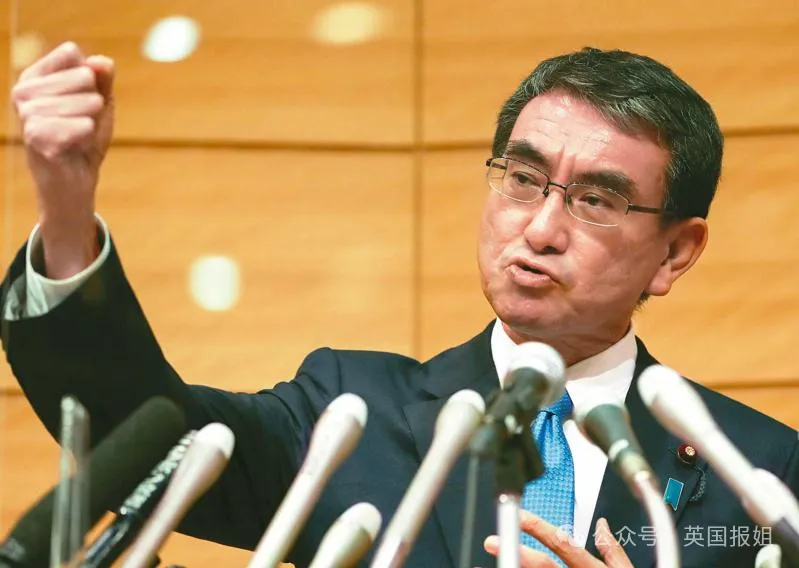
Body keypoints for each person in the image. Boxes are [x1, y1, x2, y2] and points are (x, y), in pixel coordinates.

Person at [2, 41, 797, 568]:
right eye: (523, 180)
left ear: (674, 253)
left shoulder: (758, 471)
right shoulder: (349, 418)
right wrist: (67, 209)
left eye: (594, 200)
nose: (539, 229)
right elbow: (140, 437)